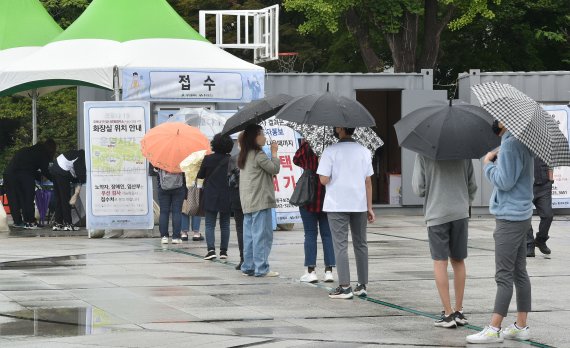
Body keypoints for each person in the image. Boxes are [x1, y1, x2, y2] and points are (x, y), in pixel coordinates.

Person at [466, 121, 534, 344]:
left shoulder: (512, 145)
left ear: (508, 120)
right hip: (521, 214)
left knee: (503, 275)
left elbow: (504, 182)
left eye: (498, 118)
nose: (495, 121)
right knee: (519, 272)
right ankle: (520, 326)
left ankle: (494, 328)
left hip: (509, 217)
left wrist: (487, 165)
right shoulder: (520, 142)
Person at [412, 154, 477, 328]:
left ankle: (447, 314)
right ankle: (459, 311)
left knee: (440, 262)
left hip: (436, 213)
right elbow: (472, 185)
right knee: (458, 260)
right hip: (460, 212)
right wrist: (464, 202)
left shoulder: (424, 151)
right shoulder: (464, 151)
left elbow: (418, 188)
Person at [317, 127, 375, 299]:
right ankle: (362, 285)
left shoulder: (330, 151)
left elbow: (323, 179)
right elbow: (368, 182)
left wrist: (322, 162)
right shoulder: (364, 151)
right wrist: (369, 207)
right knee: (361, 244)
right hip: (359, 204)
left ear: (340, 129)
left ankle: (344, 287)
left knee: (340, 245)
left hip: (337, 204)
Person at [238, 124, 280, 277]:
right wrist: (274, 153)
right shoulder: (258, 154)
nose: (264, 137)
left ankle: (248, 266)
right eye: (261, 134)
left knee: (249, 235)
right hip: (260, 200)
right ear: (254, 138)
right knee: (262, 236)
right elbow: (274, 169)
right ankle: (261, 268)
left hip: (248, 201)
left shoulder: (244, 154)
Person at [293, 140, 335, 283]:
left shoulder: (307, 146)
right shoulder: (331, 147)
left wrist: (309, 164)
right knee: (327, 235)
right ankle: (329, 271)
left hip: (308, 195)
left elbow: (296, 159)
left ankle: (311, 272)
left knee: (310, 234)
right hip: (327, 195)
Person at [3, 139, 56, 229]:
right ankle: (30, 221)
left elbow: (29, 166)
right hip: (24, 175)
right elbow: (45, 171)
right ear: (51, 148)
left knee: (13, 199)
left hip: (9, 174)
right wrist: (55, 179)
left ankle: (18, 222)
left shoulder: (27, 150)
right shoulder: (43, 153)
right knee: (27, 198)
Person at [197, 133, 234, 260]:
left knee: (209, 224)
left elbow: (200, 176)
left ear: (214, 144)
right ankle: (223, 251)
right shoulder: (231, 159)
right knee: (225, 224)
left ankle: (211, 250)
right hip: (227, 195)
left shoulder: (207, 159)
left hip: (211, 194)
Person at [49, 150, 86, 231]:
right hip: (61, 172)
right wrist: (83, 180)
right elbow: (80, 172)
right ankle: (68, 224)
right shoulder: (81, 156)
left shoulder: (74, 153)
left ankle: (58, 223)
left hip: (54, 170)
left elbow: (73, 171)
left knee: (59, 199)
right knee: (65, 199)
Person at [526, 156, 553, 257]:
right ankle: (529, 244)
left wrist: (551, 180)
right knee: (526, 215)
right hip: (527, 186)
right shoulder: (523, 144)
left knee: (548, 215)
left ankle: (541, 240)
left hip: (544, 186)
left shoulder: (545, 145)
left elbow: (551, 163)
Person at [155, 166, 185, 244]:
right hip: (179, 187)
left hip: (163, 187)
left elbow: (154, 171)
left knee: (164, 212)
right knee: (177, 212)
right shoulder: (181, 157)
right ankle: (176, 237)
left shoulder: (160, 157)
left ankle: (164, 237)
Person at [228, 132, 245, 270]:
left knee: (240, 228)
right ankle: (252, 259)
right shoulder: (256, 157)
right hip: (252, 197)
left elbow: (230, 180)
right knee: (254, 229)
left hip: (237, 197)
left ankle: (243, 259)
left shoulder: (234, 159)